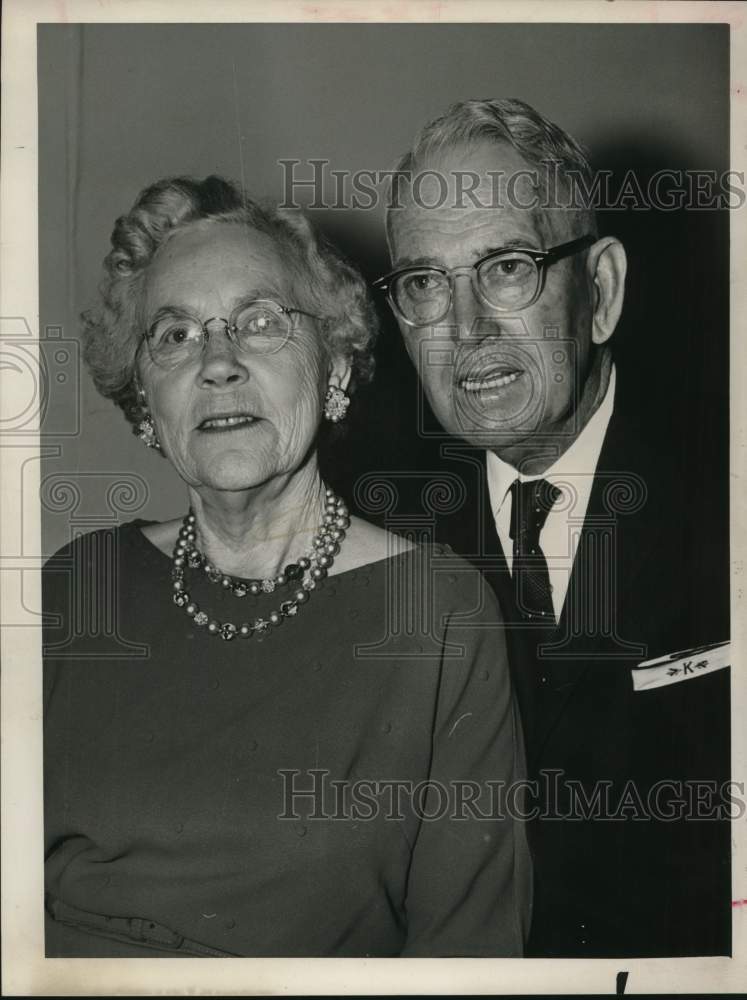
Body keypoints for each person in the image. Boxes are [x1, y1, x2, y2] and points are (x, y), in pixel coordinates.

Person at [42, 175, 531, 958]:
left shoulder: (437, 614)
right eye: (174, 335)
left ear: (334, 364)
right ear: (142, 401)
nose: (218, 363)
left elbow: (468, 951)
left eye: (260, 322)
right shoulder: (78, 585)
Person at [377, 99, 730, 957]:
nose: (465, 331)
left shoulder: (720, 502)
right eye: (426, 285)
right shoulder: (376, 545)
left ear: (599, 290)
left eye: (505, 268)